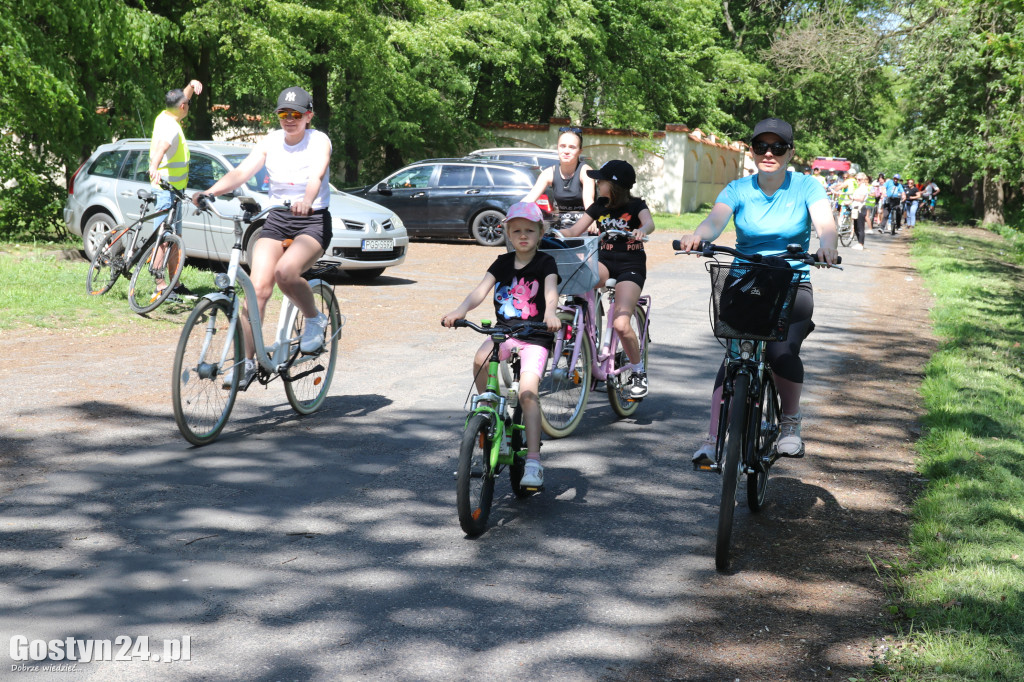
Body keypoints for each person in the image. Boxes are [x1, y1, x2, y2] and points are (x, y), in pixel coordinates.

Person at [676, 117, 839, 464]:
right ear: (751, 151)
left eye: (778, 147)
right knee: (735, 356)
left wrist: (827, 245)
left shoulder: (807, 187)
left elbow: (826, 224)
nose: (769, 153)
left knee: (780, 354)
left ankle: (790, 424)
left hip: (791, 283)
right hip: (744, 283)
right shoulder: (737, 189)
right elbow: (715, 221)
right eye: (761, 146)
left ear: (790, 152)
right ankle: (713, 438)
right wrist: (698, 236)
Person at [192, 86, 333, 390]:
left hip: (312, 219)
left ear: (308, 116)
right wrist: (210, 192)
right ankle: (246, 363)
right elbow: (242, 172)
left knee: (286, 273)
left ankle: (314, 319)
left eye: (296, 114)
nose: (289, 119)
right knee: (256, 290)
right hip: (279, 217)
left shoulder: (318, 140)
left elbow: (316, 175)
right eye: (283, 113)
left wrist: (307, 200)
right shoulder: (271, 141)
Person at [442, 202, 560, 488]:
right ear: (507, 232)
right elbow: (480, 291)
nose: (523, 235)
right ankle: (491, 414)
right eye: (516, 230)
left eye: (529, 230)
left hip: (536, 334)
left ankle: (533, 460)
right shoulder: (501, 263)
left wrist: (550, 313)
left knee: (528, 393)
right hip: (504, 332)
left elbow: (551, 292)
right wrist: (460, 311)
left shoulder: (546, 262)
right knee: (479, 359)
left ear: (540, 232)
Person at [559, 159, 656, 399]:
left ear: (613, 185)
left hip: (630, 265)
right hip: (603, 261)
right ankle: (582, 336)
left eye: (600, 180)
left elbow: (649, 223)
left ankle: (637, 371)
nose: (596, 183)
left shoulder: (636, 205)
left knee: (622, 324)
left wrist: (642, 230)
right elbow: (574, 231)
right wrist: (547, 233)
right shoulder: (599, 204)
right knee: (580, 278)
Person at [148, 79, 203, 300]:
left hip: (175, 191)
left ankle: (175, 284)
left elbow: (182, 99)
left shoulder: (165, 116)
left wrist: (191, 85)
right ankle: (160, 285)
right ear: (183, 107)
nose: (188, 105)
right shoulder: (171, 127)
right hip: (165, 191)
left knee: (174, 237)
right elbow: (161, 148)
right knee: (164, 238)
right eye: (187, 103)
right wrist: (154, 167)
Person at [522, 126, 596, 225]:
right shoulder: (548, 173)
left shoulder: (585, 171)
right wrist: (512, 214)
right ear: (557, 147)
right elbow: (529, 199)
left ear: (579, 151)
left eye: (572, 147)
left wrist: (591, 220)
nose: (566, 151)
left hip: (585, 224)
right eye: (562, 146)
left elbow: (588, 200)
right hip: (562, 225)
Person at [849, 171, 871, 250]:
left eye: (859, 179)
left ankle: (861, 243)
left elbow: (861, 199)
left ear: (863, 180)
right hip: (855, 207)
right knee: (856, 226)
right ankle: (859, 242)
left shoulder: (864, 188)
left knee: (860, 226)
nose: (857, 181)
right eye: (857, 179)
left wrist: (853, 198)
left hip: (860, 208)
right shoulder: (858, 188)